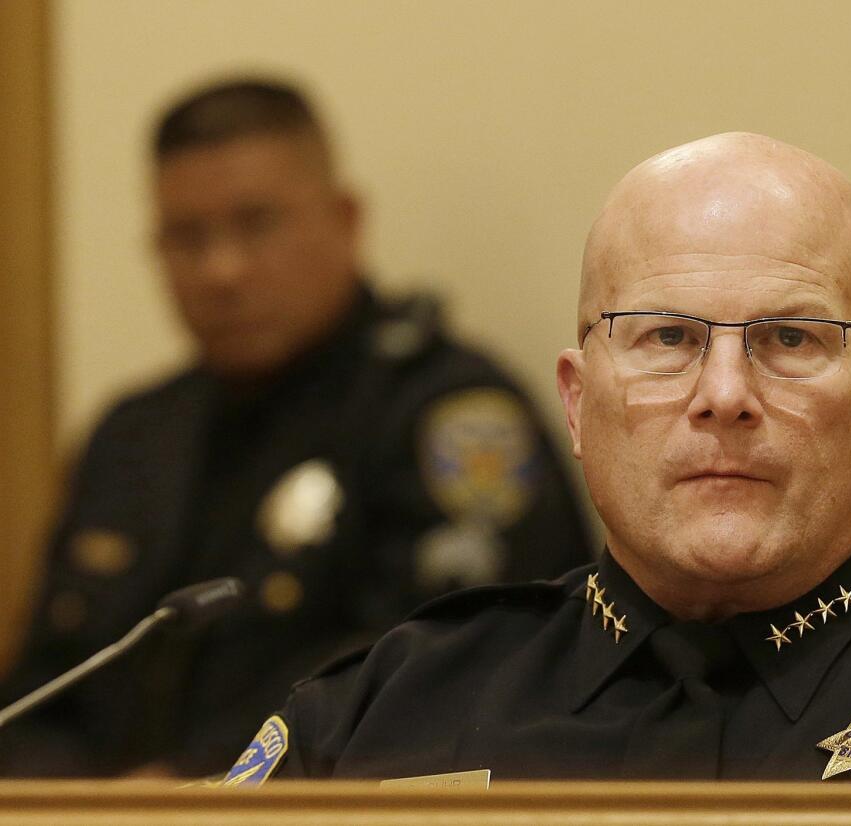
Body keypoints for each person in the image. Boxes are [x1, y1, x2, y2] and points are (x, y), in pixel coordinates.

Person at [227, 132, 851, 788]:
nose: (724, 393)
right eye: (667, 338)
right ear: (575, 400)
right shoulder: (380, 715)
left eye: (793, 340)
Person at [0, 78, 593, 778]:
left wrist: (190, 788)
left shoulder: (444, 418)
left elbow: (453, 681)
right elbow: (44, 697)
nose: (221, 270)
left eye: (256, 224)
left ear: (346, 219)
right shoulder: (133, 437)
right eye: (187, 237)